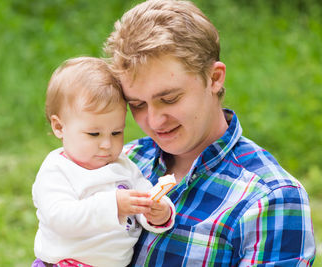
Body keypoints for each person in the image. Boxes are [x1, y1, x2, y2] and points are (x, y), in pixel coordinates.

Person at [105, 0, 316, 266]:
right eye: (137, 104)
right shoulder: (123, 162)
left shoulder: (270, 198)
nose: (154, 120)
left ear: (215, 78)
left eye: (169, 98)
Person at [31, 57, 176, 267]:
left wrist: (158, 212)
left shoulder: (123, 166)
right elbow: (59, 217)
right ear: (60, 127)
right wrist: (114, 205)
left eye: (116, 132)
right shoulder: (57, 170)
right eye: (94, 134)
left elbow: (144, 195)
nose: (107, 145)